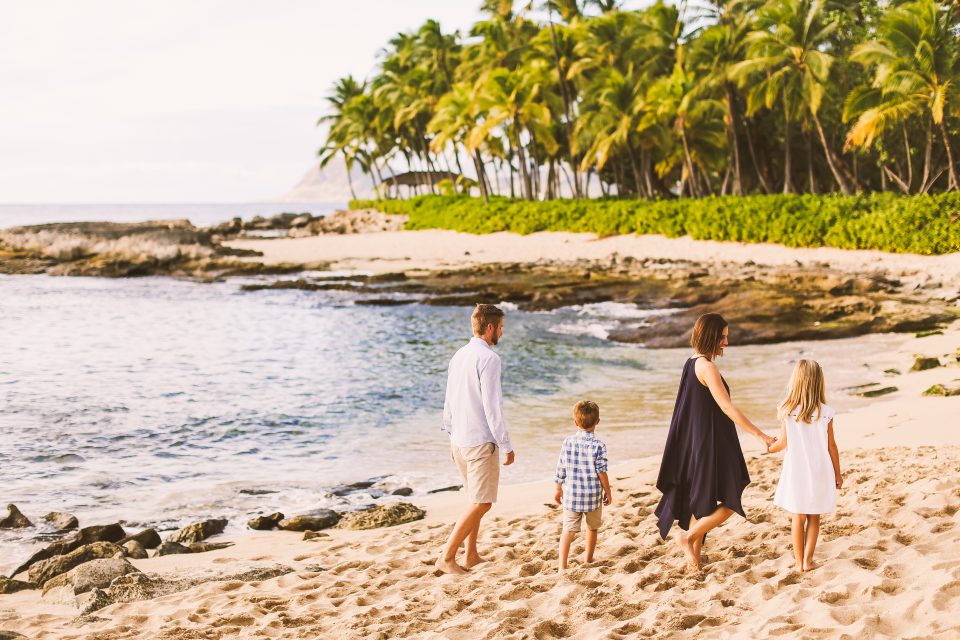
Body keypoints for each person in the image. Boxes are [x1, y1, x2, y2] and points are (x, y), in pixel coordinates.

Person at [654, 313, 776, 570]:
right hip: (709, 445)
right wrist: (760, 435)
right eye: (723, 337)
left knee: (702, 501)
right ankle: (687, 537)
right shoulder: (708, 368)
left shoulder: (691, 362)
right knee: (732, 498)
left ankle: (694, 560)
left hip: (696, 442)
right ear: (711, 336)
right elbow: (726, 407)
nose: (726, 343)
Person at [436, 304, 515, 575]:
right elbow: (493, 408)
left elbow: (448, 400)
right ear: (490, 327)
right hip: (480, 441)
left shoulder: (458, 355)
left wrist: (451, 432)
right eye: (501, 328)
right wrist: (506, 445)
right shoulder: (490, 359)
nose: (502, 333)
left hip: (459, 439)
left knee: (474, 499)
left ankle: (471, 555)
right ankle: (447, 557)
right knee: (482, 503)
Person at [768, 359, 843, 572]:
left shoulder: (786, 410)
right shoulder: (825, 412)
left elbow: (783, 443)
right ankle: (808, 562)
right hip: (820, 470)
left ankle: (799, 561)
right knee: (814, 516)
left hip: (796, 471)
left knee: (797, 517)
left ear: (796, 381)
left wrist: (769, 447)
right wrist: (838, 474)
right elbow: (832, 447)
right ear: (819, 382)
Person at [553, 400, 612, 572]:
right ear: (598, 421)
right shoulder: (599, 445)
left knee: (568, 531)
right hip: (592, 495)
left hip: (572, 495)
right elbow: (602, 471)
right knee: (592, 528)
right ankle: (588, 558)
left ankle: (562, 566)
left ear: (575, 422)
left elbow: (561, 466)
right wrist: (607, 491)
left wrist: (558, 488)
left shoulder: (567, 442)